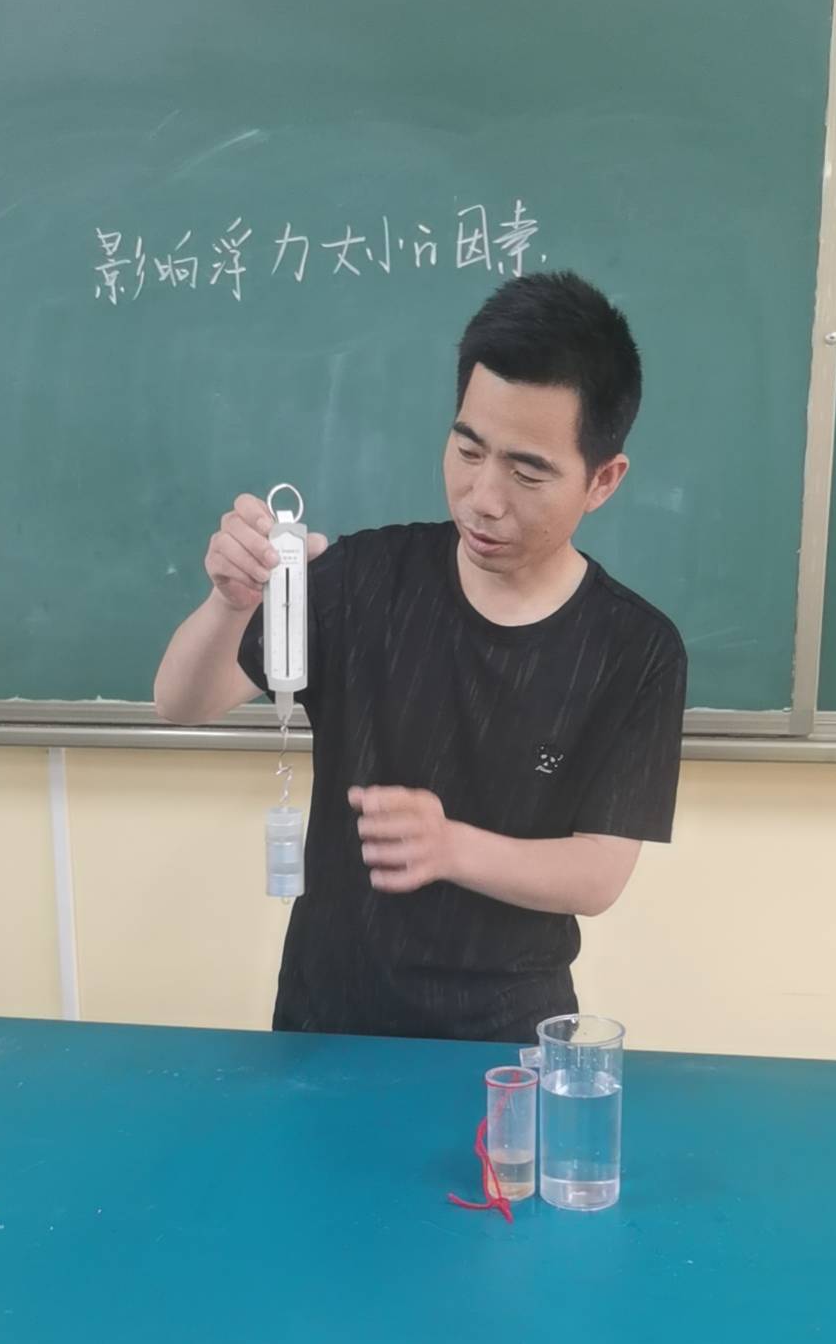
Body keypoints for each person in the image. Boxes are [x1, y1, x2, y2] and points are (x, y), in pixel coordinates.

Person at [155, 271, 687, 1042]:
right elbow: (181, 700)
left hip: (507, 1040)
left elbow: (599, 873)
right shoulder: (363, 579)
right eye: (468, 449)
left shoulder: (634, 649)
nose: (483, 497)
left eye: (527, 471)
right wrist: (230, 602)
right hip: (326, 1024)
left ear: (603, 480)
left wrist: (450, 847)